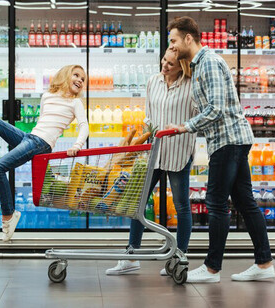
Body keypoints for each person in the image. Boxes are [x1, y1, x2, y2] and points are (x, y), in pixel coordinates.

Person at [166, 16, 275, 283]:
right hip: (229, 140)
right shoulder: (198, 66)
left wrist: (184, 127)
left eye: (173, 40)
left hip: (228, 141)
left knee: (216, 203)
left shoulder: (209, 63)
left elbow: (216, 109)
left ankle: (212, 268)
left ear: (188, 38)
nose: (171, 45)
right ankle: (264, 263)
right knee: (245, 203)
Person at [0, 65, 89, 242]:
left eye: (83, 79)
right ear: (65, 75)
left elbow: (84, 126)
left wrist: (77, 145)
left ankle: (8, 215)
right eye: (76, 75)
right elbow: (43, 120)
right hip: (30, 137)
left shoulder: (75, 102)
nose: (80, 80)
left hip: (41, 143)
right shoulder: (47, 96)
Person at [106, 48, 197, 276]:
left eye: (171, 64)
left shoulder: (192, 84)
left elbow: (198, 117)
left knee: (181, 205)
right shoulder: (153, 81)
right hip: (154, 152)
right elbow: (148, 116)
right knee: (138, 202)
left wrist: (181, 128)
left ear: (182, 67)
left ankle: (180, 256)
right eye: (164, 61)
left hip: (179, 150)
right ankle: (132, 255)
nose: (165, 66)